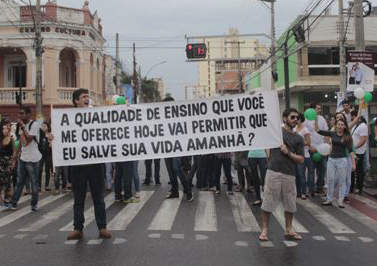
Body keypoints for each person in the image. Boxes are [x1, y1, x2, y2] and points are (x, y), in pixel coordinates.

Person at [64, 88, 111, 240]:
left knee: (99, 197)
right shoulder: (67, 118)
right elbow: (63, 136)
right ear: (76, 100)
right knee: (79, 199)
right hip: (78, 165)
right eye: (84, 97)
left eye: (87, 96)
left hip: (95, 163)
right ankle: (78, 228)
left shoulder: (96, 115)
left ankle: (102, 227)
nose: (87, 99)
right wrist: (53, 136)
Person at [259, 108, 304, 242]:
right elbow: (263, 134)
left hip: (289, 174)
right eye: (292, 117)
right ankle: (265, 230)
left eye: (297, 117)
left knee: (290, 203)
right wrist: (268, 152)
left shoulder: (299, 138)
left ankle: (289, 229)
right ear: (285, 118)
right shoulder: (276, 133)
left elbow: (301, 159)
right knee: (268, 202)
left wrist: (288, 153)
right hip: (273, 171)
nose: (295, 119)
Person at [316, 118, 354, 208]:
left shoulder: (347, 136)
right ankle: (329, 199)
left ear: (344, 127)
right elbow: (318, 131)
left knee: (342, 180)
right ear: (336, 125)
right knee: (330, 180)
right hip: (331, 160)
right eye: (338, 124)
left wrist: (353, 163)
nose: (340, 126)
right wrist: (316, 119)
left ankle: (340, 201)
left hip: (342, 160)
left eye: (342, 124)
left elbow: (351, 150)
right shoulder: (332, 133)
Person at [9, 106, 41, 211]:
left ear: (28, 114)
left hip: (33, 159)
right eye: (19, 114)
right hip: (23, 158)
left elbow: (29, 138)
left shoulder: (34, 124)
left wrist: (23, 126)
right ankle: (14, 203)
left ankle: (34, 204)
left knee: (34, 183)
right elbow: (21, 141)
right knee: (19, 182)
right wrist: (15, 154)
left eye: (22, 113)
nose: (19, 116)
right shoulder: (21, 126)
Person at [304, 103, 328, 195]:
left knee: (322, 168)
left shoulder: (322, 119)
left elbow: (326, 132)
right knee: (311, 170)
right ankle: (311, 188)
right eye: (318, 108)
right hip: (311, 149)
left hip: (322, 149)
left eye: (320, 108)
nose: (320, 110)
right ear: (313, 110)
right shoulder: (306, 120)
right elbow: (304, 134)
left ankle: (320, 186)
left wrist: (326, 145)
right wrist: (310, 146)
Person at [294, 113, 312, 199]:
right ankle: (298, 193)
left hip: (303, 154)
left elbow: (308, 142)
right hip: (294, 155)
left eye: (296, 118)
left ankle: (304, 192)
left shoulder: (305, 130)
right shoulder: (294, 129)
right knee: (296, 175)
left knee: (302, 175)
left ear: (300, 119)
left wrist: (298, 144)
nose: (295, 120)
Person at [350, 110, 368, 194]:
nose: (352, 118)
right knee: (352, 170)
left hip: (359, 152)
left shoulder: (363, 126)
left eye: (352, 116)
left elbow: (363, 140)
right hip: (353, 151)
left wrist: (355, 147)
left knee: (359, 170)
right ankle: (351, 187)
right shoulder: (354, 126)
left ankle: (359, 187)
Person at [0, 121, 16, 205]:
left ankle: (7, 197)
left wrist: (13, 162)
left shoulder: (11, 138)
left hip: (8, 161)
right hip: (0, 161)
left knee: (8, 180)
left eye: (6, 128)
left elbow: (14, 151)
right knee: (1, 180)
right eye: (3, 128)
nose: (5, 130)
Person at [38, 122, 52, 191]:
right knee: (39, 170)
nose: (43, 127)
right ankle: (39, 186)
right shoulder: (40, 134)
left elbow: (52, 145)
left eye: (44, 126)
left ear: (48, 127)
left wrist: (50, 142)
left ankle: (47, 185)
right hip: (40, 155)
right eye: (42, 126)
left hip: (48, 155)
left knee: (47, 170)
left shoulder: (50, 135)